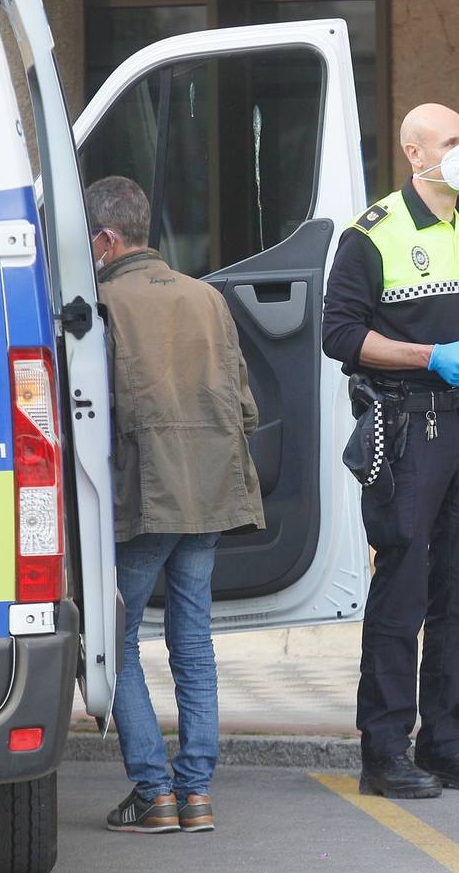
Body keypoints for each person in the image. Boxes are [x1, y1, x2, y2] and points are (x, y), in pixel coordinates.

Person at [322, 103, 459, 799]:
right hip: (408, 429)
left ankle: (445, 741)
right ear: (415, 154)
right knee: (402, 590)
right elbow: (340, 334)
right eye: (451, 141)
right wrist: (424, 356)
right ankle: (384, 750)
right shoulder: (372, 233)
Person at [87, 176, 265, 833]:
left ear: (106, 239)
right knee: (192, 641)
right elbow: (243, 404)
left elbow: (89, 414)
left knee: (117, 637)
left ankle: (152, 791)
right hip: (213, 486)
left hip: (145, 492)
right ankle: (195, 794)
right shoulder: (207, 297)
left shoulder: (100, 303)